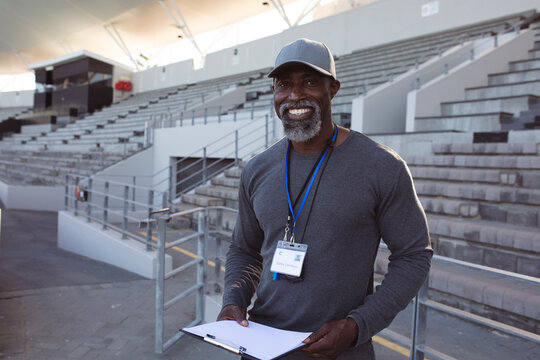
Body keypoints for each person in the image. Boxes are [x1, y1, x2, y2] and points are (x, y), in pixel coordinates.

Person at [217, 38, 432, 359]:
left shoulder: (382, 166)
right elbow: (244, 249)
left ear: (332, 89)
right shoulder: (257, 169)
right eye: (283, 85)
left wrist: (358, 325)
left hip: (341, 350)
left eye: (309, 83)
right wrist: (233, 301)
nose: (294, 95)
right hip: (262, 345)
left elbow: (414, 255)